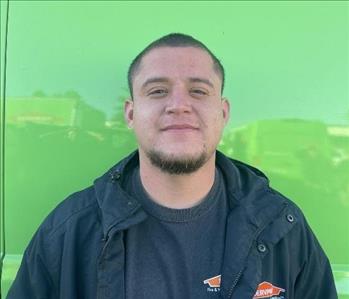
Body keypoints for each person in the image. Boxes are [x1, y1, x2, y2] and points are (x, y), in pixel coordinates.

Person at [7, 33, 337, 299]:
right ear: (131, 113)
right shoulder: (67, 233)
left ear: (222, 113)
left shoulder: (283, 229)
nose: (178, 105)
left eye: (198, 90)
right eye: (158, 90)